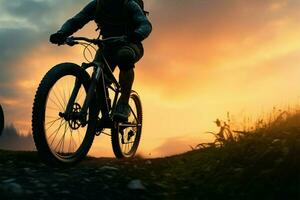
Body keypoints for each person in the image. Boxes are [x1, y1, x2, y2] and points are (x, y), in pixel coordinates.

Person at [49, 0, 152, 122]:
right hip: (106, 47)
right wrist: (62, 33)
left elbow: (145, 24)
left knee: (125, 57)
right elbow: (76, 21)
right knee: (98, 76)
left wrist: (137, 35)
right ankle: (103, 103)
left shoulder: (128, 4)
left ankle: (124, 103)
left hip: (129, 44)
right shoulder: (96, 5)